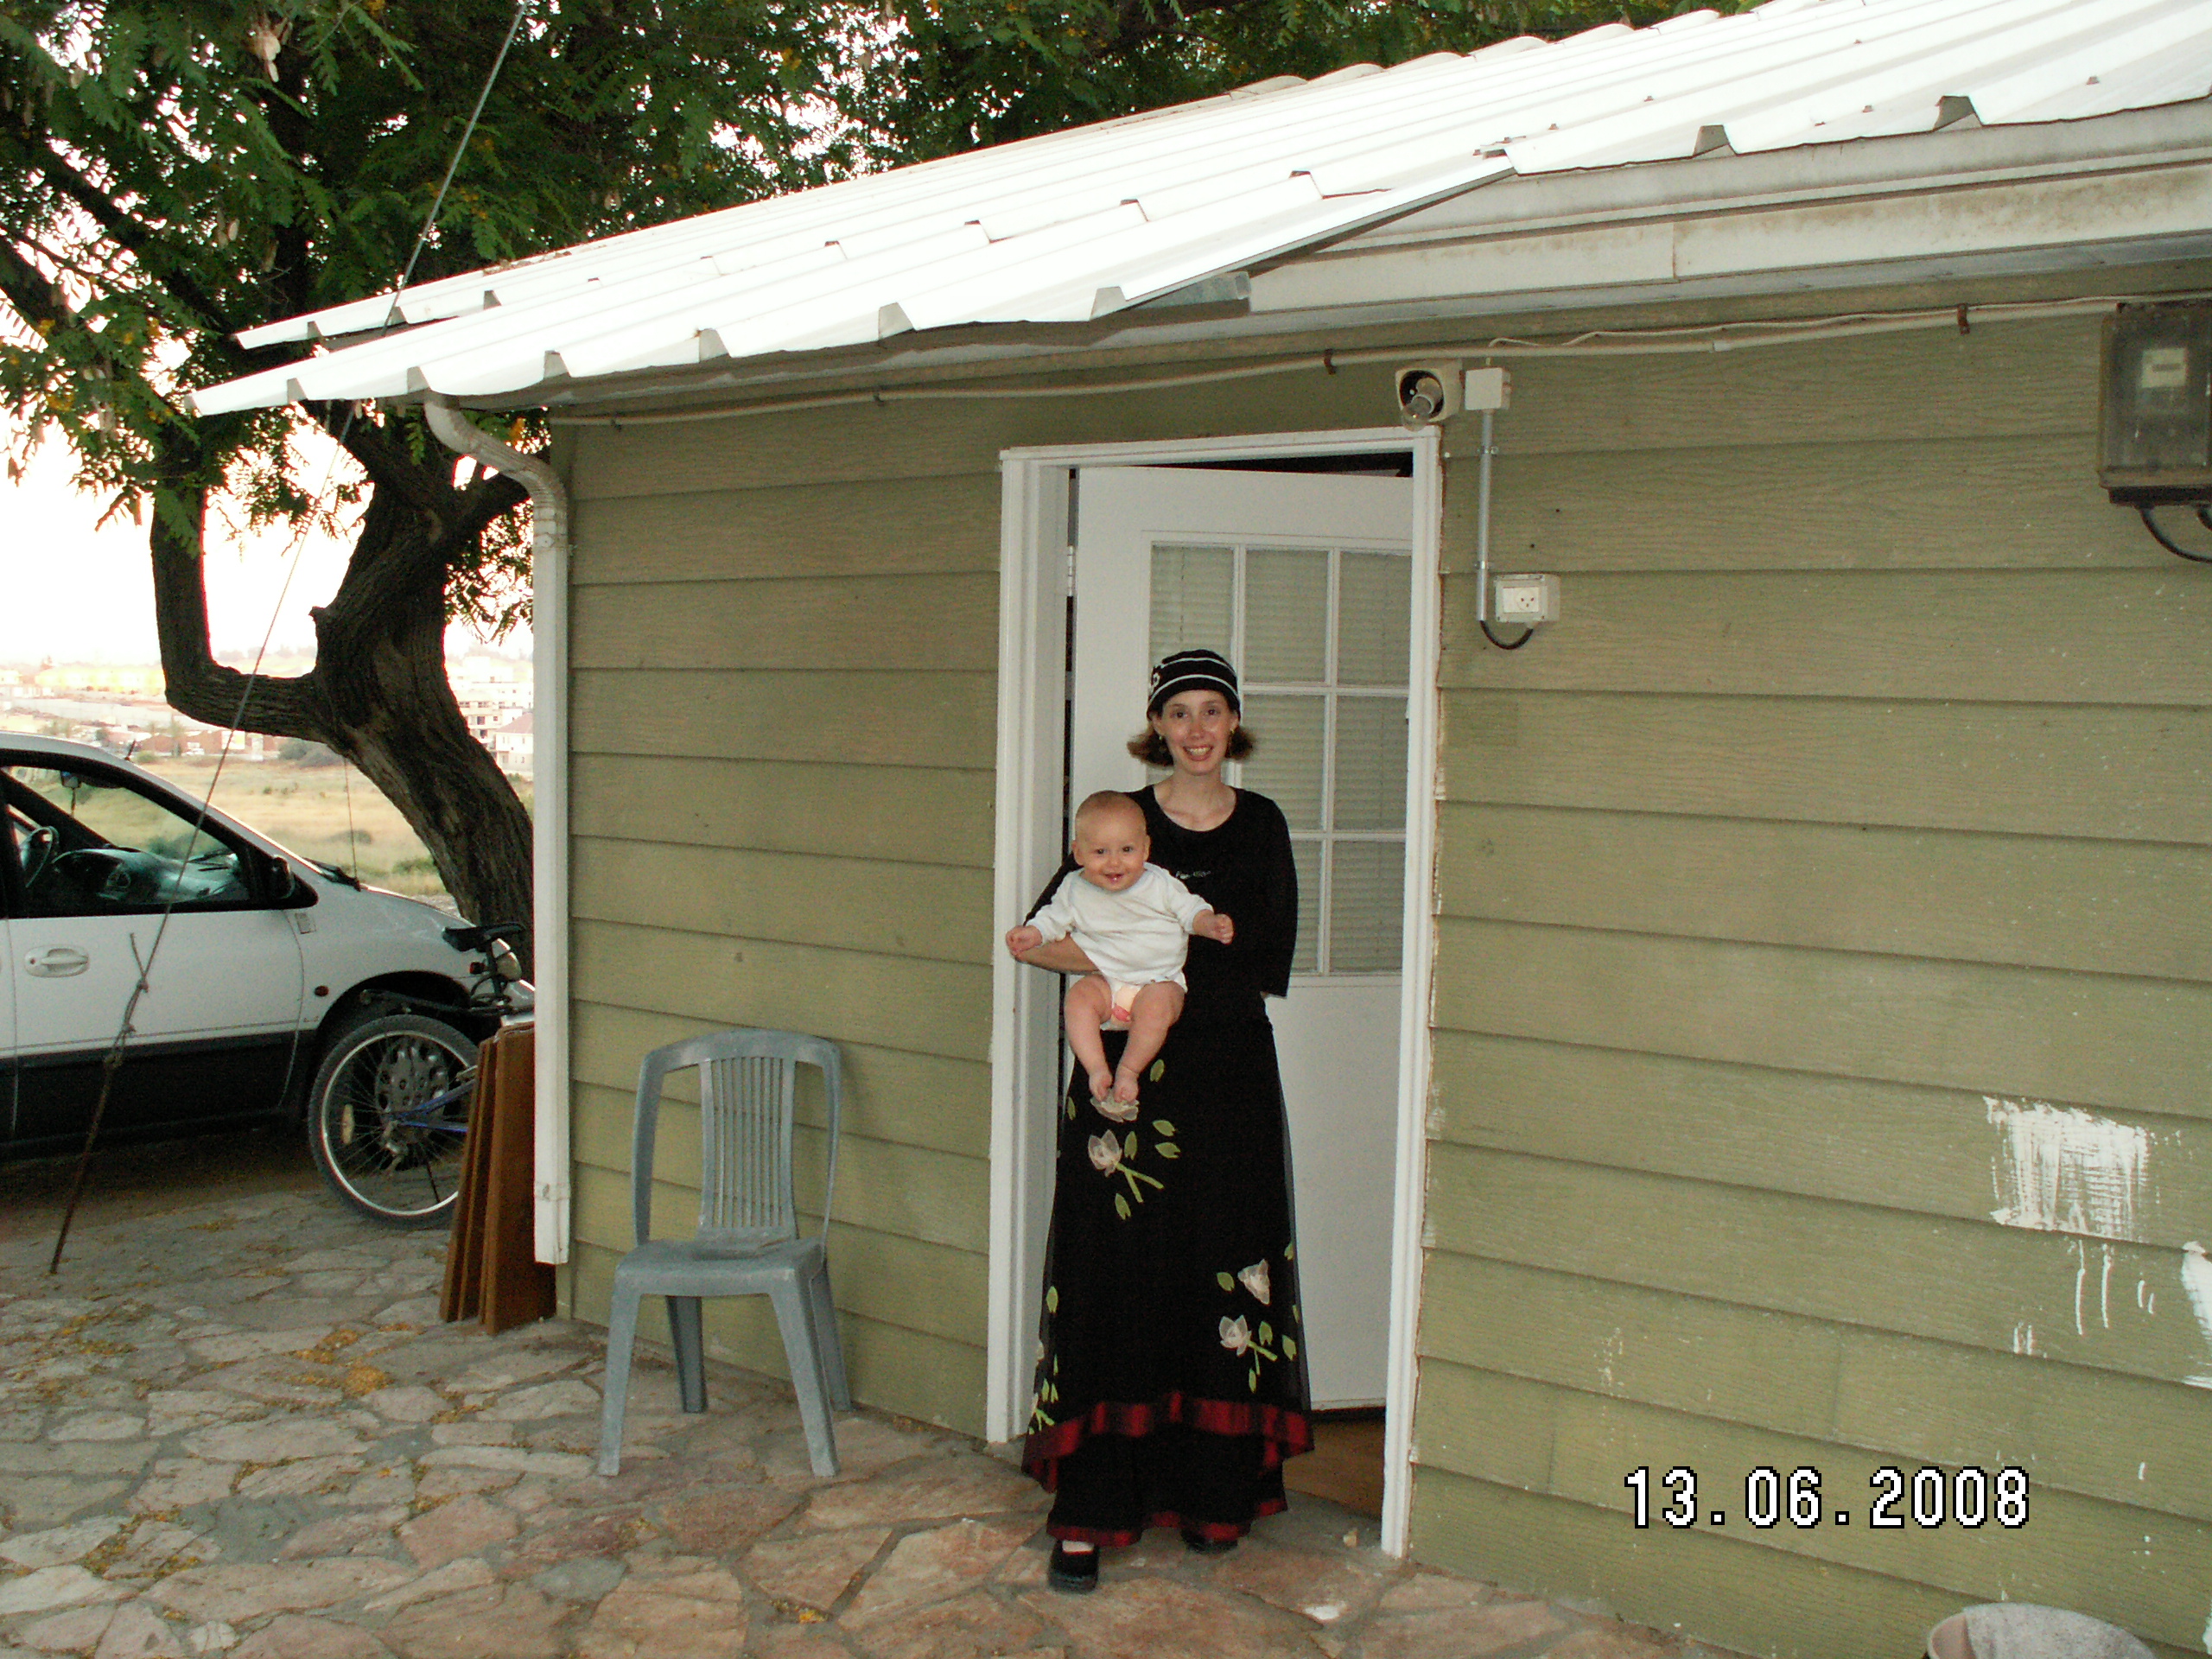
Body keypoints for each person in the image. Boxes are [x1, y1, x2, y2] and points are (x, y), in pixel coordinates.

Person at [1007, 647, 1312, 1594]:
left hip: (1225, 1079)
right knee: (1117, 1276)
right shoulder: (1119, 824)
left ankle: (1211, 1494)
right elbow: (1040, 937)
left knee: (1217, 1267)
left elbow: (1266, 952)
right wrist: (1119, 966)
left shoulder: (1262, 824)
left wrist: (1159, 949)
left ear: (1233, 723)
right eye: (1178, 713)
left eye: (1211, 711)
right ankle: (1094, 1508)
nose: (1195, 729)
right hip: (1124, 1088)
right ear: (1157, 727)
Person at [1004, 790, 1235, 1111]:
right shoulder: (1074, 887)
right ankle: (1097, 1068)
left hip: (1158, 980)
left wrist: (1209, 924)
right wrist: (1032, 933)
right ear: (1078, 853)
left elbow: (1190, 910)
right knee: (1078, 999)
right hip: (1108, 981)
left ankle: (1128, 1070)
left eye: (1127, 850)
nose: (1114, 862)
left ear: (1146, 849)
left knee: (1156, 1008)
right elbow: (1052, 918)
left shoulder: (1159, 884)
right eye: (1100, 852)